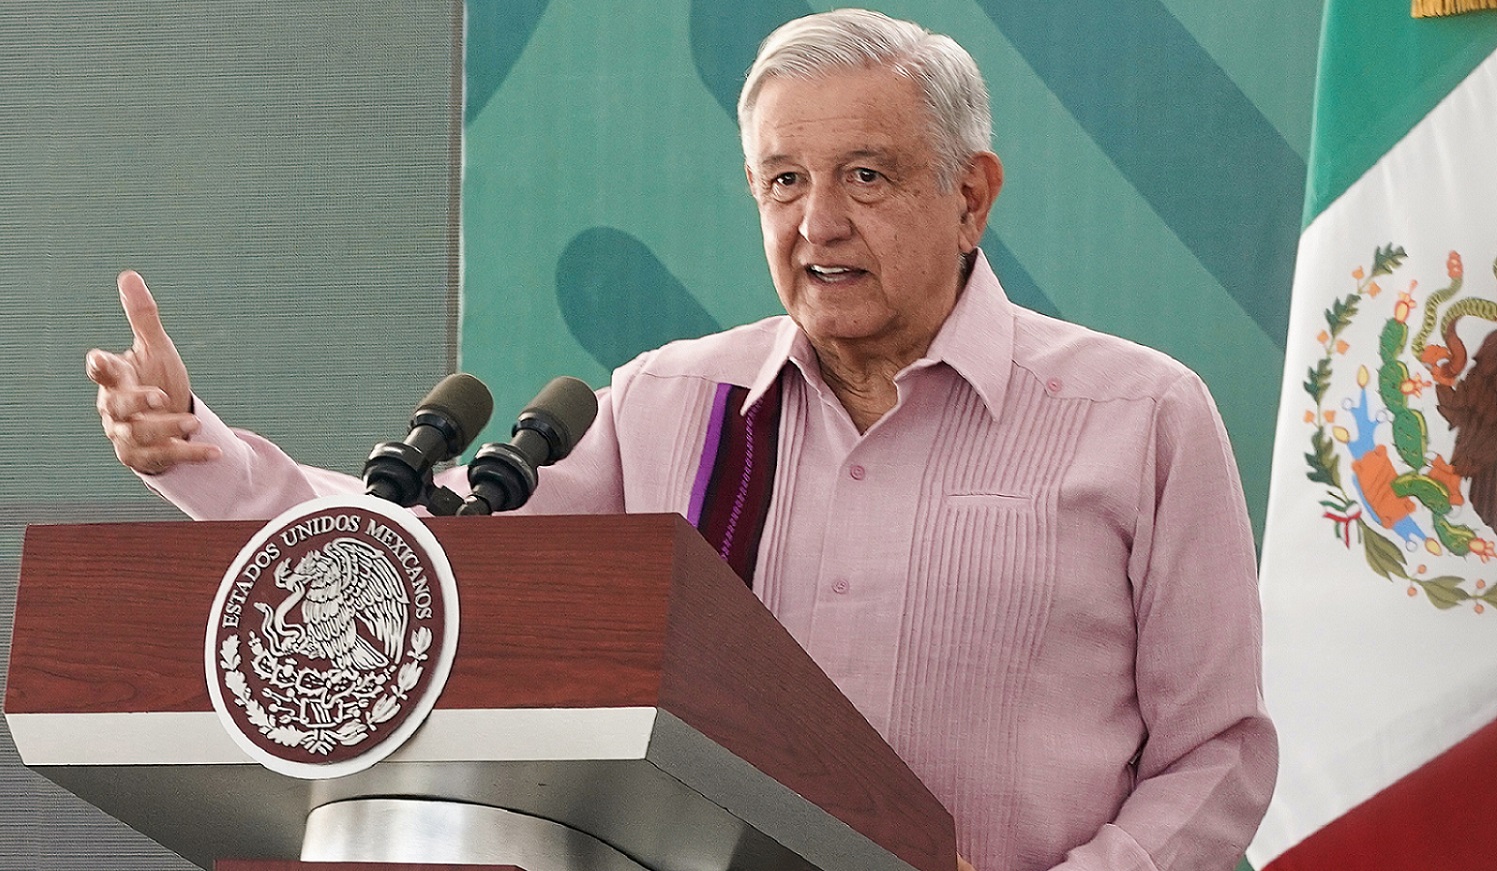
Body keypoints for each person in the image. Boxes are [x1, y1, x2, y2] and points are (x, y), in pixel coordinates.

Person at [87, 9, 1276, 871]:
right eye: (782, 181)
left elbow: (1218, 754)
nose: (818, 222)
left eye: (866, 175)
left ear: (971, 196)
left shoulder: (1141, 418)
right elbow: (425, 559)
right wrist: (201, 450)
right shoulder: (673, 404)